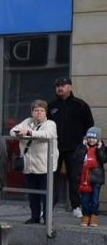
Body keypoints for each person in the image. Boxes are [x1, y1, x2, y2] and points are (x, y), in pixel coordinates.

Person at [48, 77, 94, 217]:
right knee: (52, 178)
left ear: (70, 87)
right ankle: (50, 206)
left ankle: (76, 206)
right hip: (54, 148)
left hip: (74, 149)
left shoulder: (80, 105)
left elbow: (90, 126)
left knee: (74, 178)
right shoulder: (51, 106)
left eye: (62, 85)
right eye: (57, 86)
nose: (59, 88)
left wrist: (85, 145)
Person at [11, 100, 58, 224]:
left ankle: (48, 219)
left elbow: (47, 134)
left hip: (45, 166)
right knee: (32, 194)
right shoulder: (27, 122)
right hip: (29, 166)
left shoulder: (50, 123)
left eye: (42, 111)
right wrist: (19, 132)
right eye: (36, 110)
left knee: (46, 195)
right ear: (32, 112)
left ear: (45, 112)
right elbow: (12, 131)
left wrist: (29, 133)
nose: (39, 113)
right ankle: (34, 216)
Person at [79, 127, 103, 226]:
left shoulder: (102, 147)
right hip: (84, 179)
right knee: (84, 200)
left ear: (98, 139)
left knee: (95, 200)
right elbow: (77, 158)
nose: (91, 140)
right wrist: (83, 147)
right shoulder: (83, 146)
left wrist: (100, 149)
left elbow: (103, 159)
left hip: (96, 179)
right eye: (89, 137)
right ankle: (85, 216)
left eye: (94, 138)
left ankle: (94, 217)